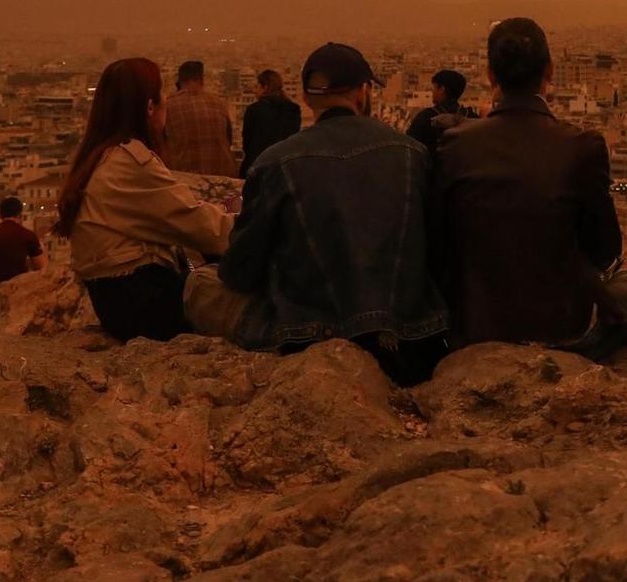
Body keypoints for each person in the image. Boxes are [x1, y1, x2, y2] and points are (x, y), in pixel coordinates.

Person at [183, 43, 448, 385]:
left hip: (302, 335)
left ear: (307, 99)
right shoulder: (413, 154)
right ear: (363, 91)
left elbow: (240, 271)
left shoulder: (275, 162)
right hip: (408, 336)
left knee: (199, 283)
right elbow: (440, 252)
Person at [429, 18, 627, 359]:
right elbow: (605, 250)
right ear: (549, 70)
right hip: (563, 330)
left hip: (476, 328)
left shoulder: (455, 144)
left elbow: (440, 242)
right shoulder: (582, 145)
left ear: (490, 75)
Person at [58, 57, 234, 342]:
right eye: (162, 92)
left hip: (118, 300)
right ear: (150, 107)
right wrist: (254, 226)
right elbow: (198, 224)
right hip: (144, 301)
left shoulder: (100, 156)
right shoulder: (130, 163)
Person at [158, 59, 236, 177]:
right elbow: (229, 140)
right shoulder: (219, 103)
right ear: (201, 80)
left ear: (179, 82)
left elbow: (159, 145)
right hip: (223, 179)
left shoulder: (167, 106)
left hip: (185, 180)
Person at [238, 69, 303, 176]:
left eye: (257, 87)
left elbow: (247, 143)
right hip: (285, 169)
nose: (254, 90)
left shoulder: (254, 110)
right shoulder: (293, 110)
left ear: (265, 87)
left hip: (258, 167)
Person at [0, 196, 47, 289]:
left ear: (1, 215)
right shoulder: (27, 235)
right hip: (15, 289)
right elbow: (41, 267)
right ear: (20, 215)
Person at [406, 69, 477, 153]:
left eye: (434, 87)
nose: (432, 92)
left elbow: (410, 147)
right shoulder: (472, 117)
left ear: (442, 89)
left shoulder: (426, 117)